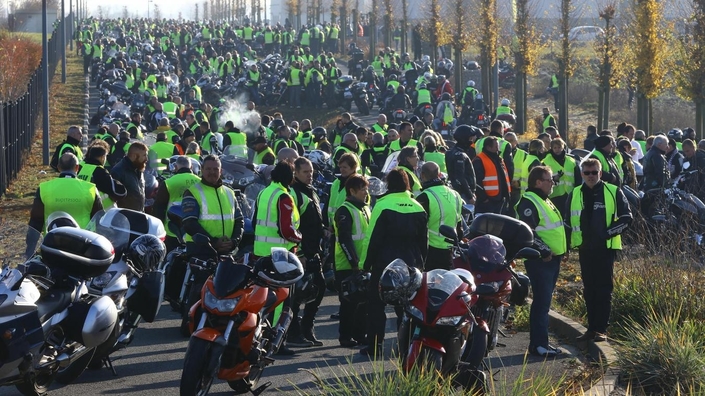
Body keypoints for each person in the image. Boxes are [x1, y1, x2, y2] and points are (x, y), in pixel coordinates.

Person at [360, 169, 428, 357]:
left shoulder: (383, 205)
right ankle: (405, 347)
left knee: (376, 306)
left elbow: (372, 239)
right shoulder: (418, 206)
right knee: (406, 308)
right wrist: (422, 266)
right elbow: (423, 242)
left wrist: (365, 264)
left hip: (385, 264)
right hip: (410, 265)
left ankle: (374, 347)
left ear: (388, 184)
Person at [566, 158, 632, 342]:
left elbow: (627, 218)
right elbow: (566, 223)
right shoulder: (575, 193)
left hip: (605, 248)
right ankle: (591, 328)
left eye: (594, 172)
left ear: (600, 173)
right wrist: (566, 248)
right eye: (587, 173)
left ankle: (601, 329)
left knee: (603, 290)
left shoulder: (613, 191)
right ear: (582, 174)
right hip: (585, 248)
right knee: (589, 290)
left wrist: (607, 233)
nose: (590, 176)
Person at [516, 166, 566, 357]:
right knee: (541, 303)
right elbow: (528, 232)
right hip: (541, 260)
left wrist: (563, 248)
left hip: (552, 259)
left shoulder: (544, 200)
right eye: (548, 179)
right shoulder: (529, 202)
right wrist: (544, 250)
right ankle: (539, 345)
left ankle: (541, 343)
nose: (552, 182)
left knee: (544, 302)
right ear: (538, 182)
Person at [287, 157, 326, 348]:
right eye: (305, 172)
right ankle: (293, 332)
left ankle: (306, 327)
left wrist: (324, 229)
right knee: (296, 295)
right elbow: (294, 224)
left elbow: (314, 220)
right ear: (295, 173)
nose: (310, 175)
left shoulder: (311, 192)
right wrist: (300, 252)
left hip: (313, 249)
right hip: (301, 252)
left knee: (319, 288)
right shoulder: (294, 193)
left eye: (311, 171)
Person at [333, 174, 371, 348]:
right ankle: (345, 337)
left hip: (363, 263)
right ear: (352, 191)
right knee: (348, 303)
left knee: (363, 302)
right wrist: (354, 263)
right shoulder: (344, 210)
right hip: (347, 264)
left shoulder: (365, 208)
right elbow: (344, 239)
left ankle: (360, 334)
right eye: (363, 189)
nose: (366, 192)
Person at [28, 153, 102, 234]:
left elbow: (36, 221)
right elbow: (99, 219)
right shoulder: (90, 189)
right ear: (77, 167)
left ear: (59, 167)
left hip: (52, 242)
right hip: (82, 242)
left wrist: (30, 245)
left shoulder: (44, 188)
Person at [416, 162, 462, 271]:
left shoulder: (424, 196)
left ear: (422, 175)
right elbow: (459, 227)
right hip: (449, 250)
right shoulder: (456, 195)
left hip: (430, 251)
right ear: (439, 174)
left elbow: (418, 228)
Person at [153, 156, 201, 252]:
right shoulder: (200, 182)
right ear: (191, 167)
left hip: (172, 231)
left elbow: (159, 208)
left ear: (175, 167)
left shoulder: (168, 183)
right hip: (196, 231)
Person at [77, 140, 127, 209]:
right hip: (102, 211)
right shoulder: (99, 170)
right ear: (102, 157)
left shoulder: (81, 167)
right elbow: (119, 192)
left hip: (84, 208)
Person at [473, 136, 511, 214]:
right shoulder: (479, 160)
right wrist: (484, 198)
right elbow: (476, 182)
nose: (498, 149)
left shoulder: (499, 159)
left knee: (498, 224)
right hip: (488, 201)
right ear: (488, 147)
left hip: (500, 199)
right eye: (496, 146)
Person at [541, 138, 580, 212]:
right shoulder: (545, 162)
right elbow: (542, 179)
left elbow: (578, 179)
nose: (557, 149)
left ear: (563, 147)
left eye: (559, 147)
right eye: (555, 148)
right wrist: (554, 178)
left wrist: (577, 193)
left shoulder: (572, 161)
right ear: (551, 148)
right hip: (553, 196)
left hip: (570, 194)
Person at [110, 142, 149, 211]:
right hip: (124, 218)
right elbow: (113, 199)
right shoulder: (118, 171)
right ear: (134, 156)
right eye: (144, 155)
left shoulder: (138, 168)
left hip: (138, 214)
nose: (146, 159)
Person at [445, 125, 478, 203]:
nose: (472, 141)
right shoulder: (460, 155)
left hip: (458, 191)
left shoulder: (451, 152)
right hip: (463, 194)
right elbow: (460, 177)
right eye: (470, 138)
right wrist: (470, 195)